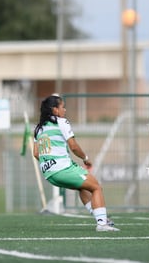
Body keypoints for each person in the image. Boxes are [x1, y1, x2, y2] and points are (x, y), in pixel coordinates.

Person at [33, 95, 119, 232]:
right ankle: (102, 224)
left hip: (49, 174)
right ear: (55, 110)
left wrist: (50, 162)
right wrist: (85, 158)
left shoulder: (38, 129)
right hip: (62, 169)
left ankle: (101, 218)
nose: (65, 110)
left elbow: (36, 153)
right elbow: (73, 146)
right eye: (62, 106)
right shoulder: (61, 122)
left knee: (84, 188)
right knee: (96, 187)